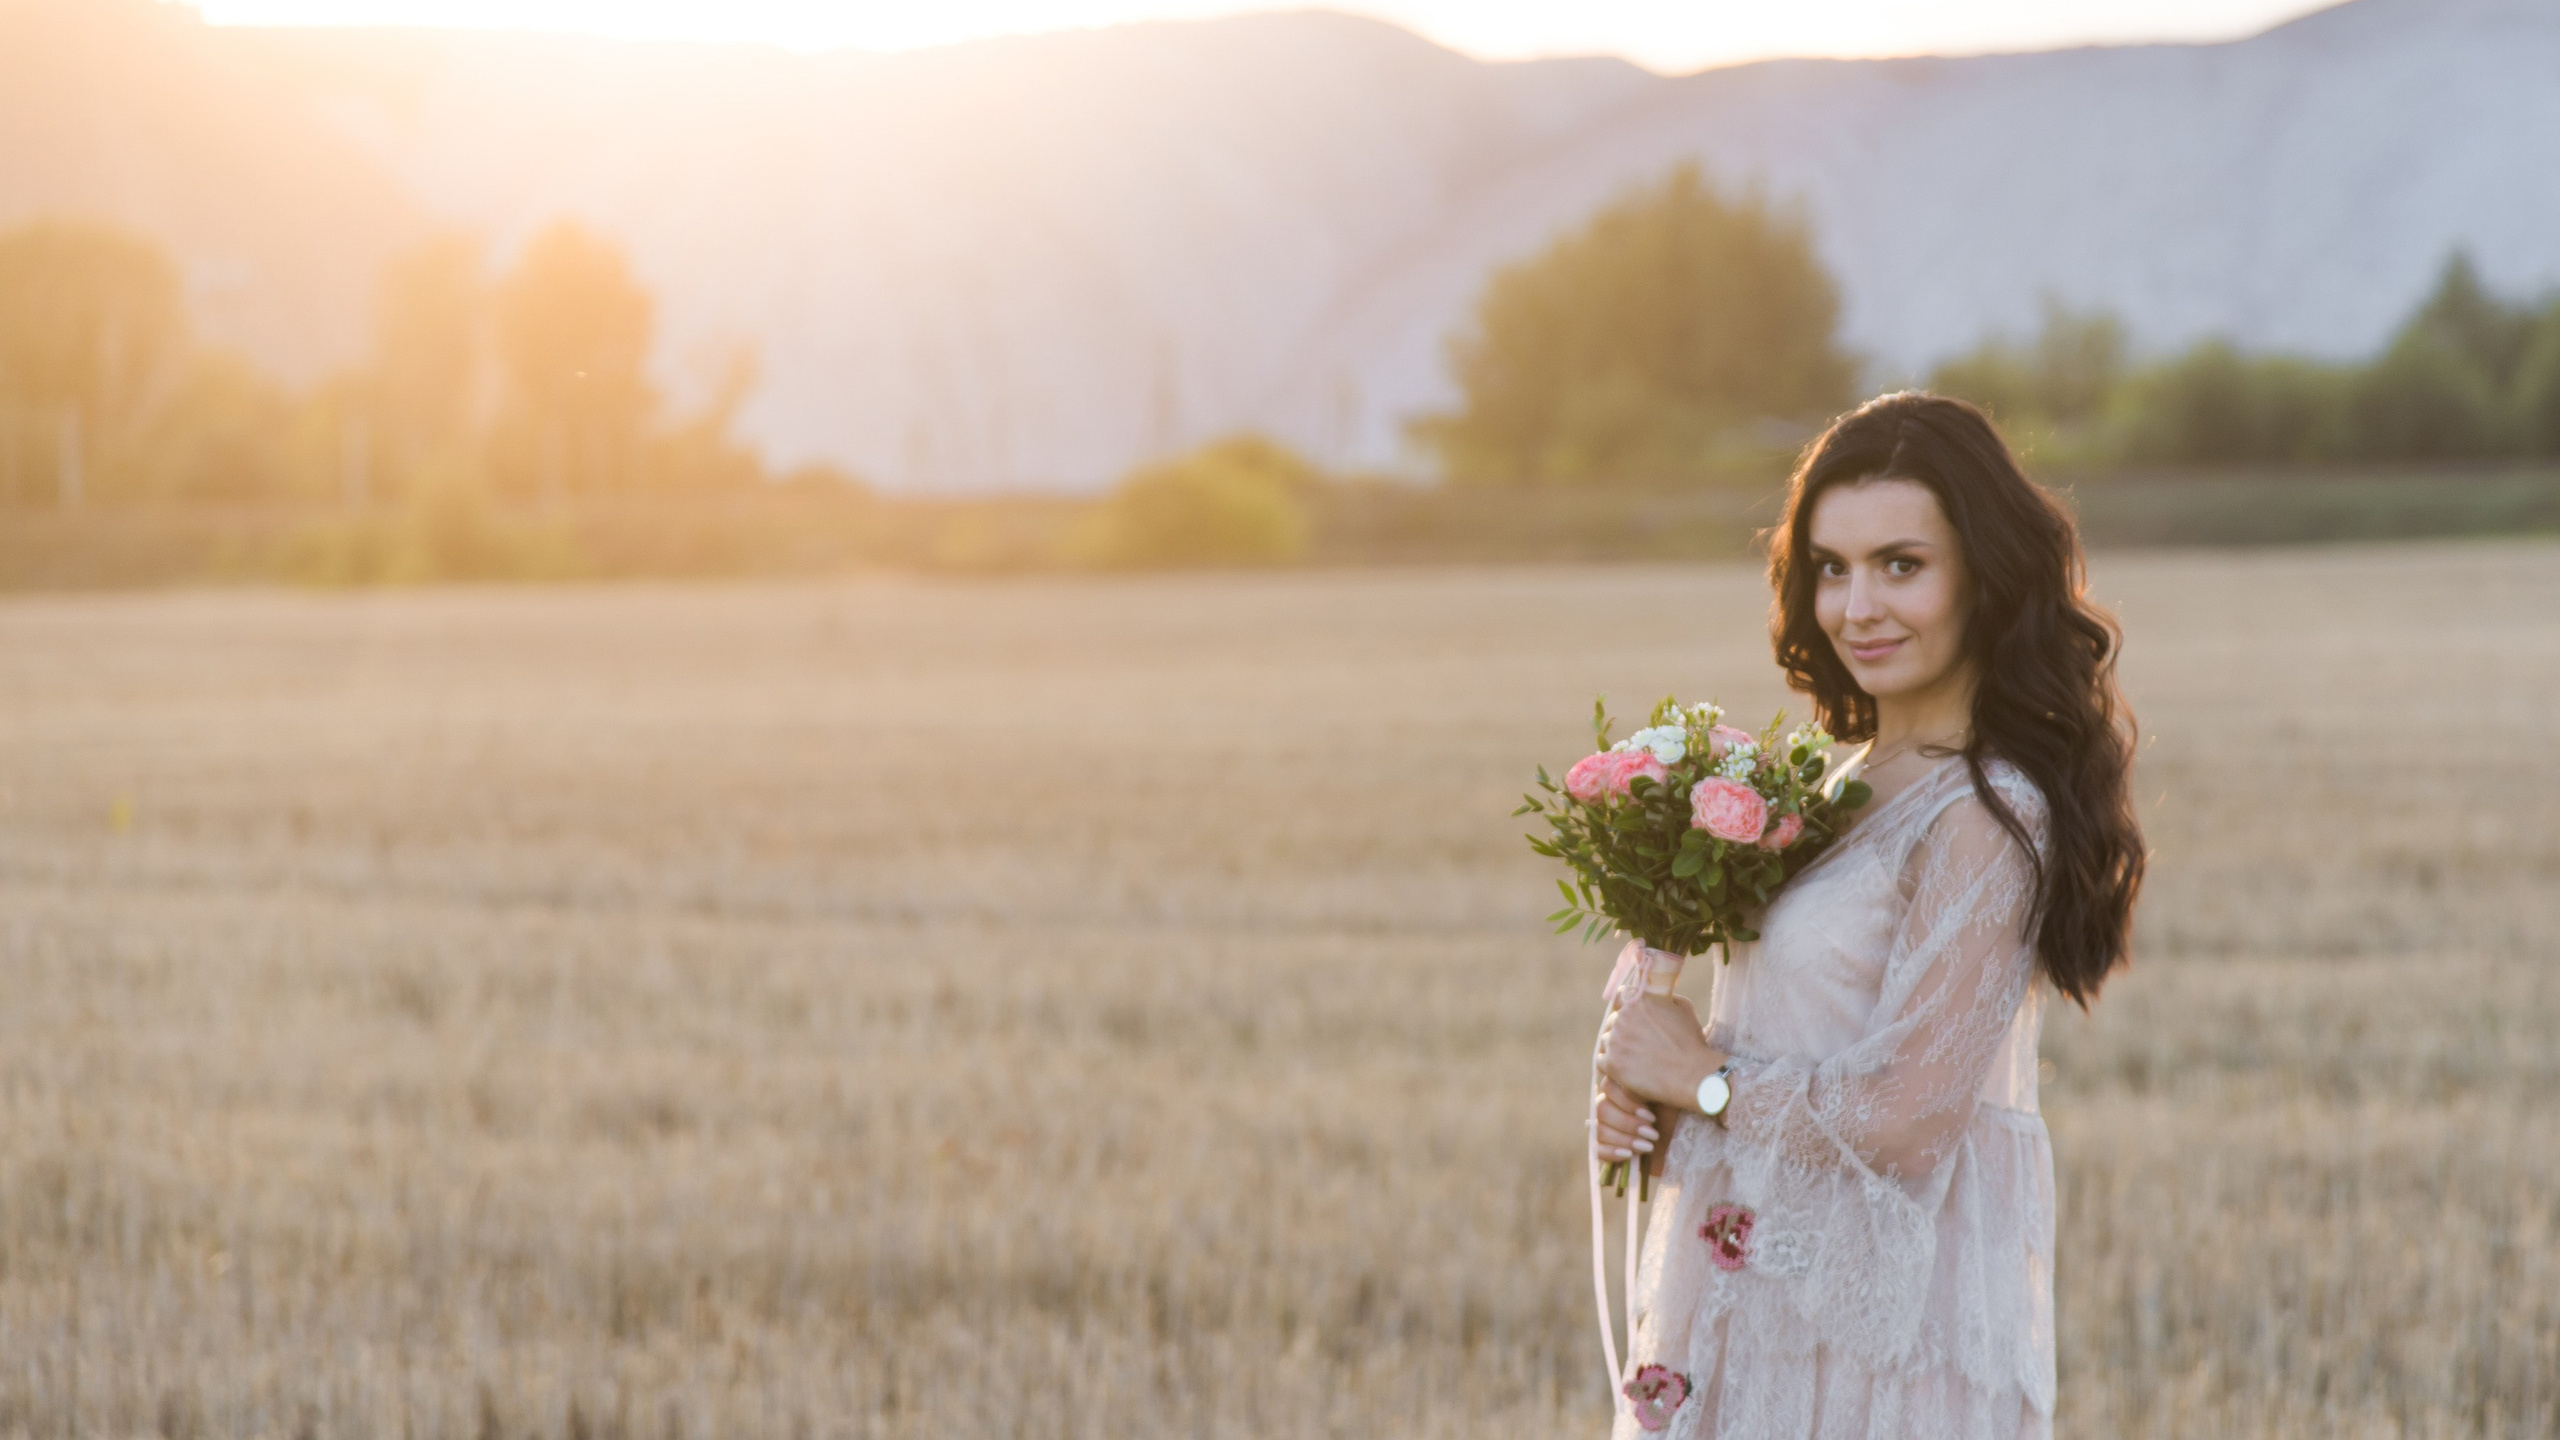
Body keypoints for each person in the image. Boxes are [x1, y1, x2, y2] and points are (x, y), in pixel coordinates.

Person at [1592, 392, 2145, 1439]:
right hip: (1762, 1283)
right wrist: (1658, 1102)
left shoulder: (1985, 811)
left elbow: (1908, 1114)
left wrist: (1703, 1080)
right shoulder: (1830, 790)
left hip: (1877, 1355)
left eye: (1901, 563)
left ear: (1983, 575)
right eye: (1830, 568)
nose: (1857, 606)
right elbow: (1793, 1043)